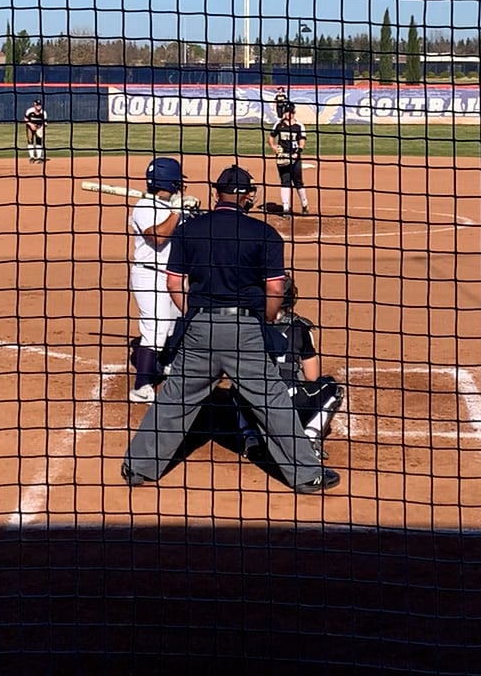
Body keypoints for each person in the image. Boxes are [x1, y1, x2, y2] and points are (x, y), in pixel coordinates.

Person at [120, 164, 340, 495]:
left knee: (175, 398)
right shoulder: (264, 234)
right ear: (248, 196)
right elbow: (275, 288)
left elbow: (173, 282)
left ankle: (138, 466)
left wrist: (195, 315)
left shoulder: (190, 231)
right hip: (245, 329)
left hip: (200, 328)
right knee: (272, 401)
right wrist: (265, 320)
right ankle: (306, 475)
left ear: (216, 193)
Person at [182, 273, 346, 466]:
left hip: (257, 406)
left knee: (237, 386)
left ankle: (250, 437)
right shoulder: (301, 328)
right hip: (292, 409)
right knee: (332, 387)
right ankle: (310, 437)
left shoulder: (246, 325)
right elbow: (312, 377)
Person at [126, 157, 197, 402]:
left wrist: (192, 213)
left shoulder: (170, 206)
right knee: (156, 328)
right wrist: (177, 211)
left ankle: (166, 363)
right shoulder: (145, 207)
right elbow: (158, 237)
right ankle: (141, 386)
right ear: (171, 182)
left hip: (174, 276)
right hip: (150, 275)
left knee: (178, 322)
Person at [268, 103, 310, 216]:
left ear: (294, 113)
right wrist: (273, 147)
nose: (288, 114)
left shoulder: (299, 126)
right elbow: (271, 137)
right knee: (285, 181)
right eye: (286, 112)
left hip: (295, 157)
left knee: (298, 182)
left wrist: (297, 152)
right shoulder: (279, 124)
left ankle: (304, 204)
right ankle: (286, 208)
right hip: (283, 156)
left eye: (290, 112)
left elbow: (302, 142)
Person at [22, 98, 48, 164]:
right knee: (30, 141)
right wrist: (31, 125)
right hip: (30, 127)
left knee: (39, 142)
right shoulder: (29, 111)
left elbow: (45, 123)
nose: (39, 106)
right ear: (34, 105)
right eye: (37, 105)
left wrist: (41, 129)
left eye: (40, 105)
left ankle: (39, 158)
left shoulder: (43, 113)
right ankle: (32, 158)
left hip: (39, 127)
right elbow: (25, 119)